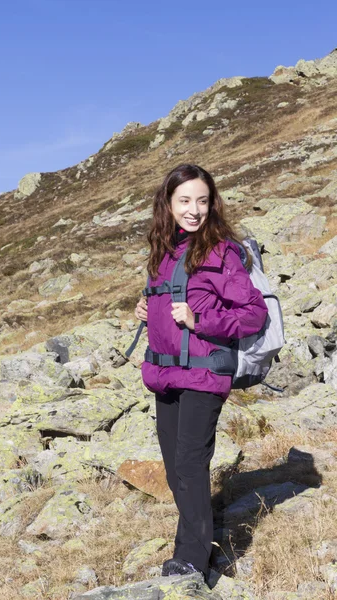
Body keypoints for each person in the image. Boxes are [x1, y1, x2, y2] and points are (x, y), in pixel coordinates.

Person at [134, 163, 268, 582]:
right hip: (166, 376)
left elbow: (253, 315)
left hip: (205, 375)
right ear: (168, 204)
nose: (194, 210)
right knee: (176, 470)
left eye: (203, 201)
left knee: (191, 464)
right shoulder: (164, 250)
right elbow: (169, 304)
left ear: (212, 204)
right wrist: (147, 310)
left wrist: (201, 319)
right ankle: (197, 546)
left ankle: (192, 560)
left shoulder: (221, 251)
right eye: (185, 201)